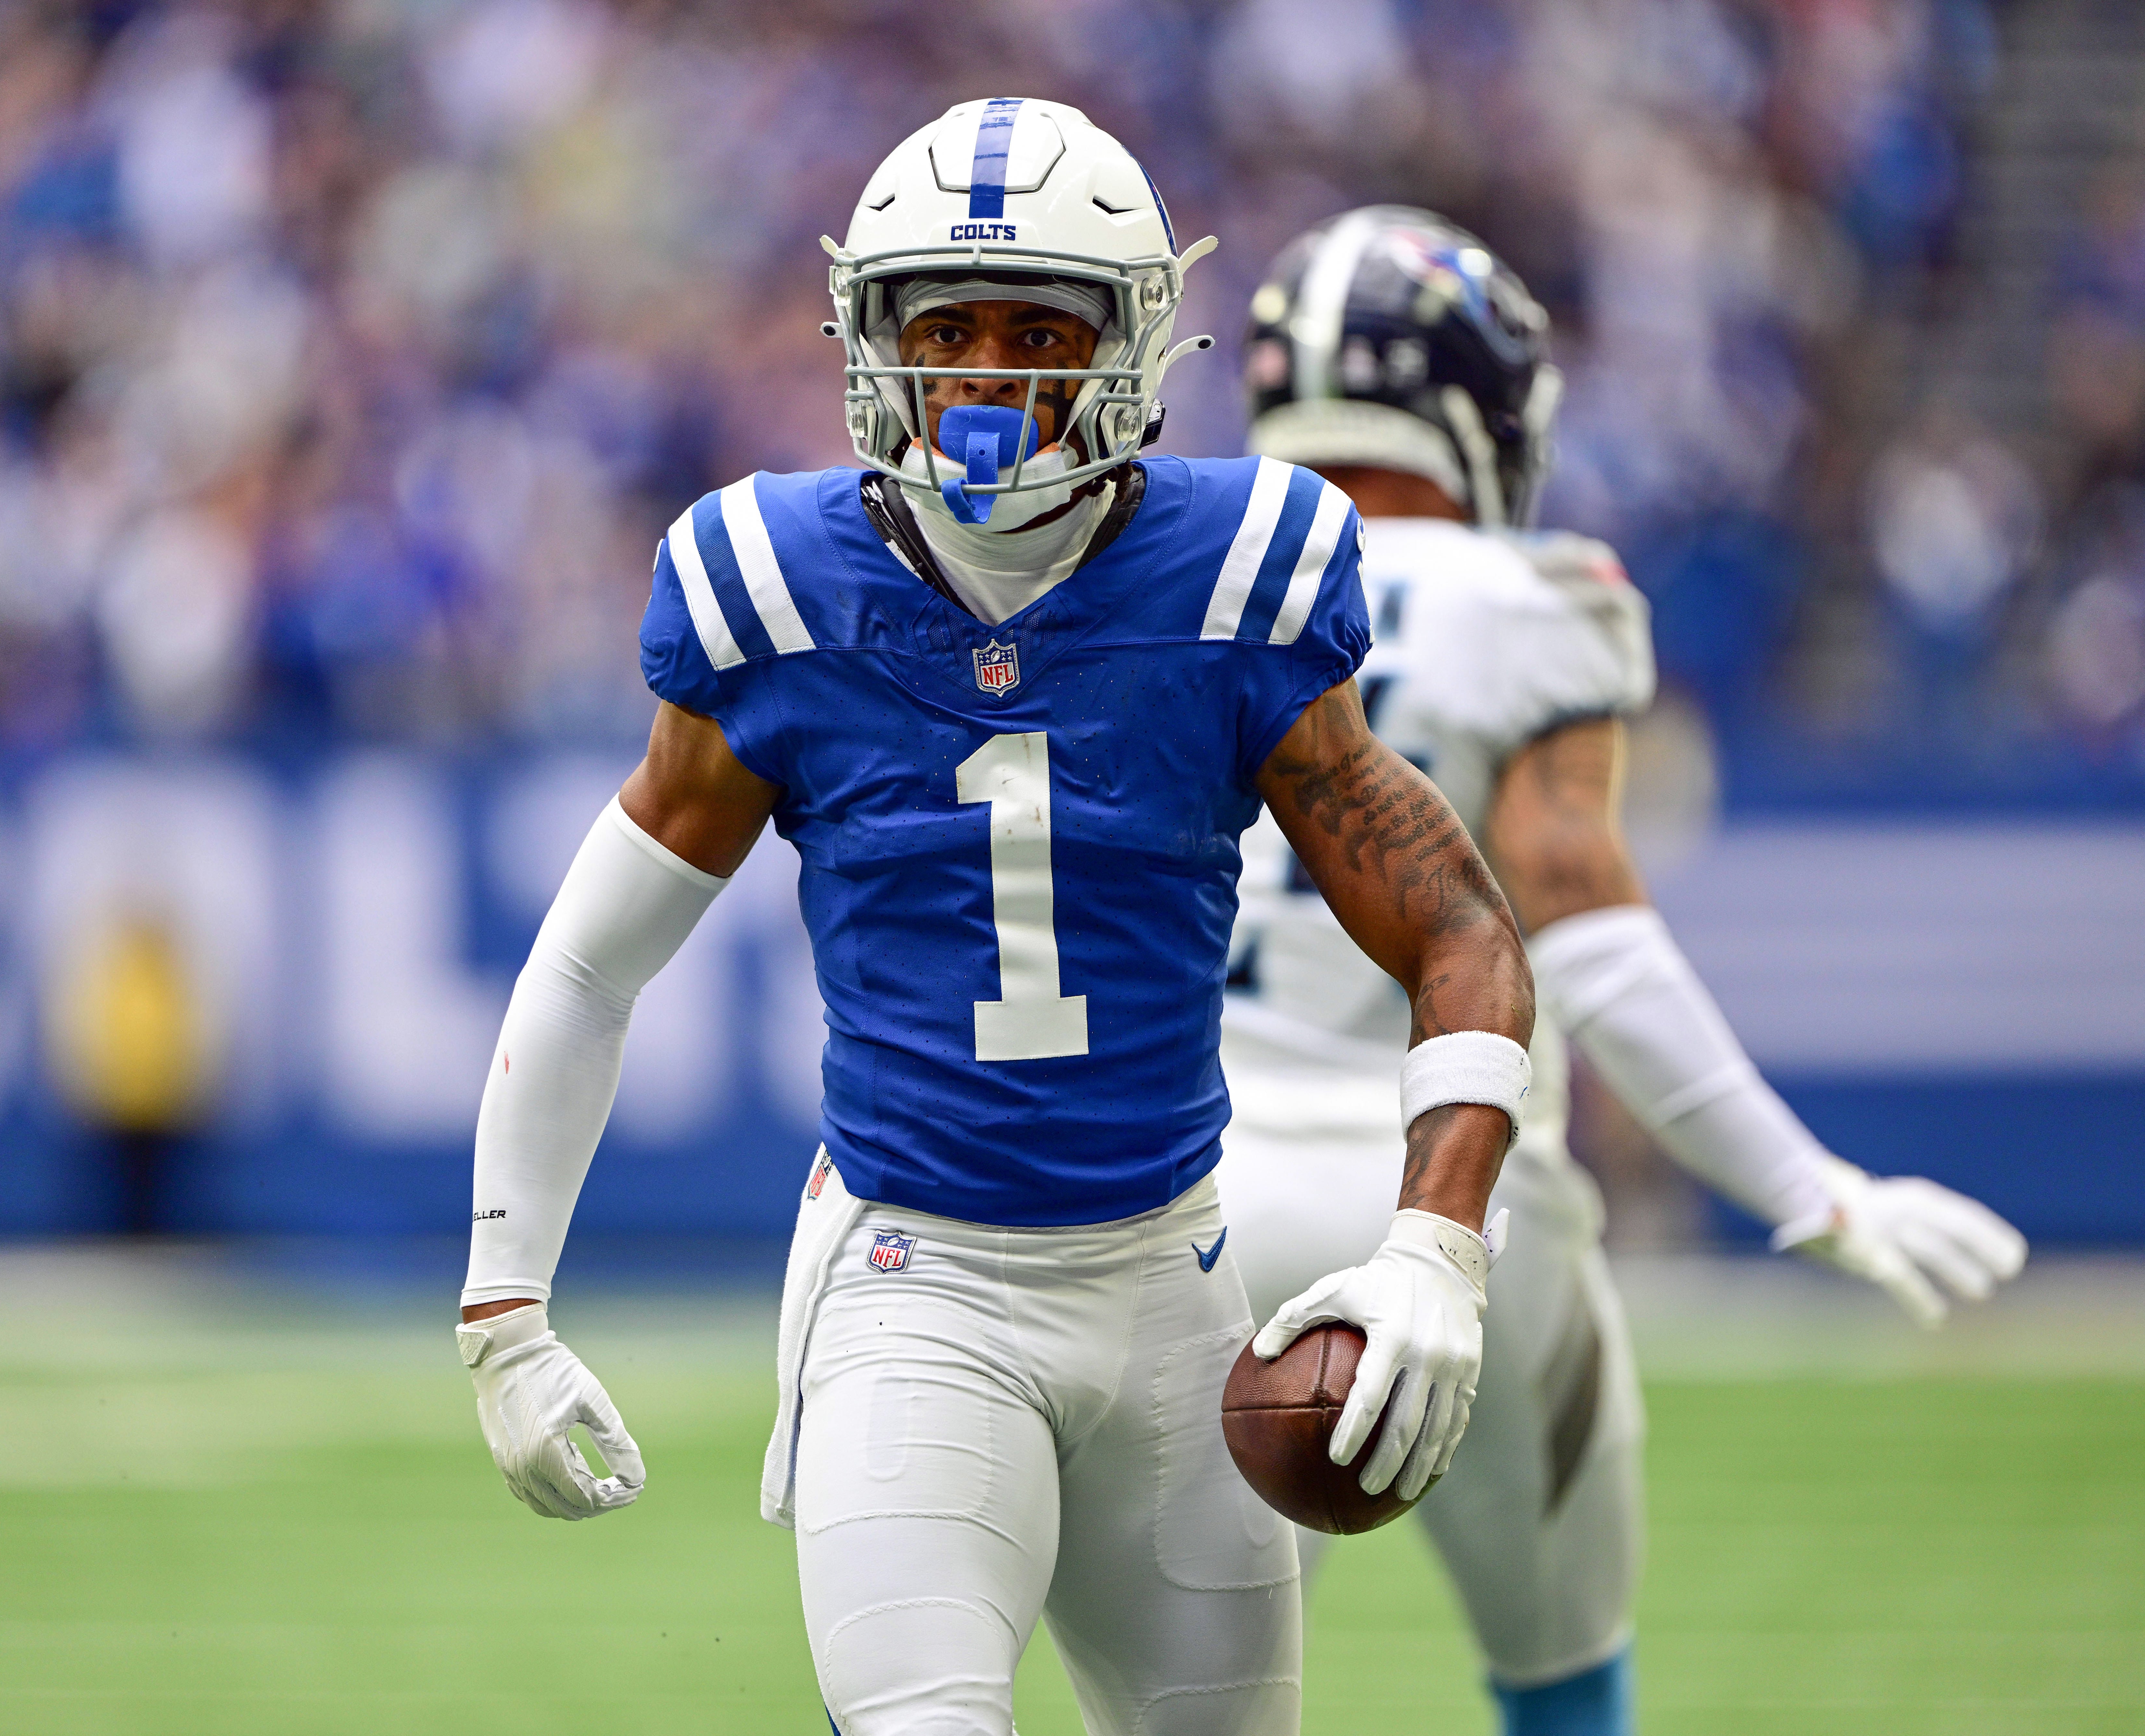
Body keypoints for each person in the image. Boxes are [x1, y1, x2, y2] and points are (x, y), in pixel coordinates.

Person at [456, 105, 1540, 1736]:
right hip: (914, 1284)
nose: (981, 376)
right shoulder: (776, 584)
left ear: (1129, 347)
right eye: (942, 329)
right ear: (872, 340)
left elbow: (1461, 932)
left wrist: (1440, 1250)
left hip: (1175, 1284)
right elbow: (592, 960)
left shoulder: (1238, 571)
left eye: (1038, 331)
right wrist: (504, 1313)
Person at [1217, 206, 2032, 1736]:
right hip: (1447, 1201)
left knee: (1201, 1706)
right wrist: (1813, 1188)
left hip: (1188, 1196)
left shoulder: (1185, 585)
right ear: (1474, 405)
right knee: (1565, 1677)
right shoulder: (1532, 598)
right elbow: (1584, 922)